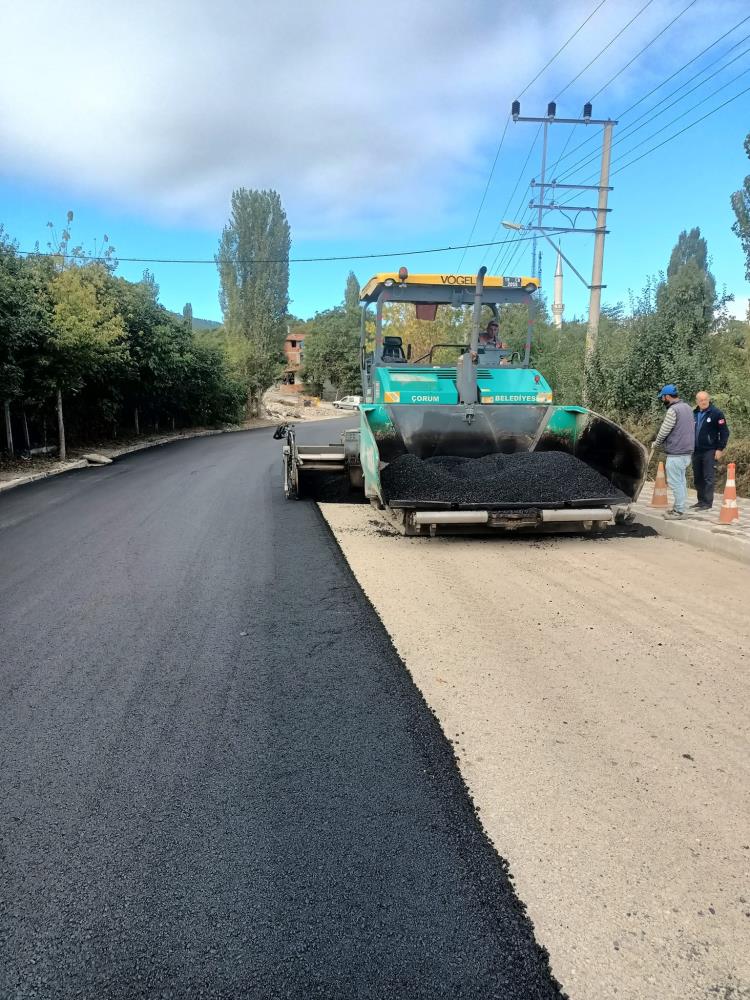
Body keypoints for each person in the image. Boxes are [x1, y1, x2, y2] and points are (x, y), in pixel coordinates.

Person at [652, 384, 694, 519]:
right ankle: (679, 507)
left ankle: (679, 511)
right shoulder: (688, 407)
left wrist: (656, 443)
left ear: (667, 396)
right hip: (687, 451)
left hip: (676, 452)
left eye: (662, 397)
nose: (662, 400)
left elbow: (665, 429)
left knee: (675, 482)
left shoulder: (673, 410)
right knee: (681, 481)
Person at [691, 390, 729, 510]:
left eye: (705, 399)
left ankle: (707, 503)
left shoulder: (716, 413)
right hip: (696, 451)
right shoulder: (694, 413)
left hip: (710, 450)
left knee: (708, 477)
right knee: (698, 477)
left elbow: (724, 432)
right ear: (697, 401)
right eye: (701, 400)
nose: (703, 402)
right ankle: (700, 500)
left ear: (709, 399)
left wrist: (719, 449)